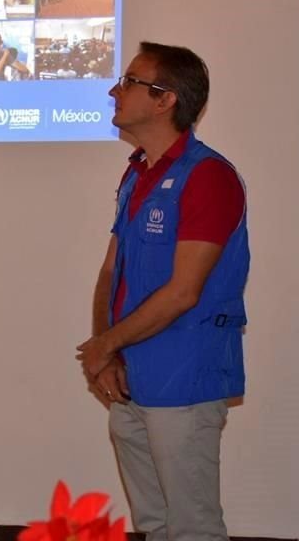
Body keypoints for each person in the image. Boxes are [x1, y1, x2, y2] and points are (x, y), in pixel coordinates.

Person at [77, 42, 248, 541]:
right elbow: (111, 271)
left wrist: (105, 346)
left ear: (164, 99)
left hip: (184, 376)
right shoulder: (138, 173)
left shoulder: (208, 176)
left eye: (129, 81)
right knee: (155, 523)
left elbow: (183, 292)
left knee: (192, 527)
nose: (115, 89)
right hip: (131, 375)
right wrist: (105, 353)